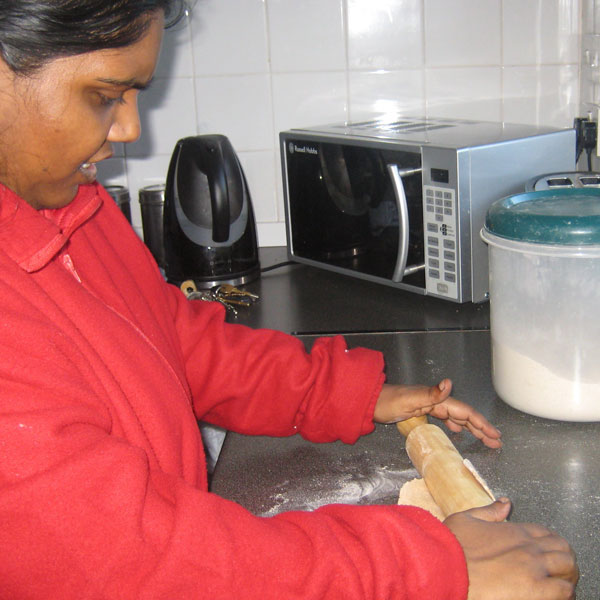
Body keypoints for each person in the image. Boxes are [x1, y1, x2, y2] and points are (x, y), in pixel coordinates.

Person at [0, 1, 578, 598]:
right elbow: (131, 560)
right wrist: (424, 568)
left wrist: (346, 393)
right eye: (104, 96)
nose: (129, 130)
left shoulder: (76, 209)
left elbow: (176, 343)